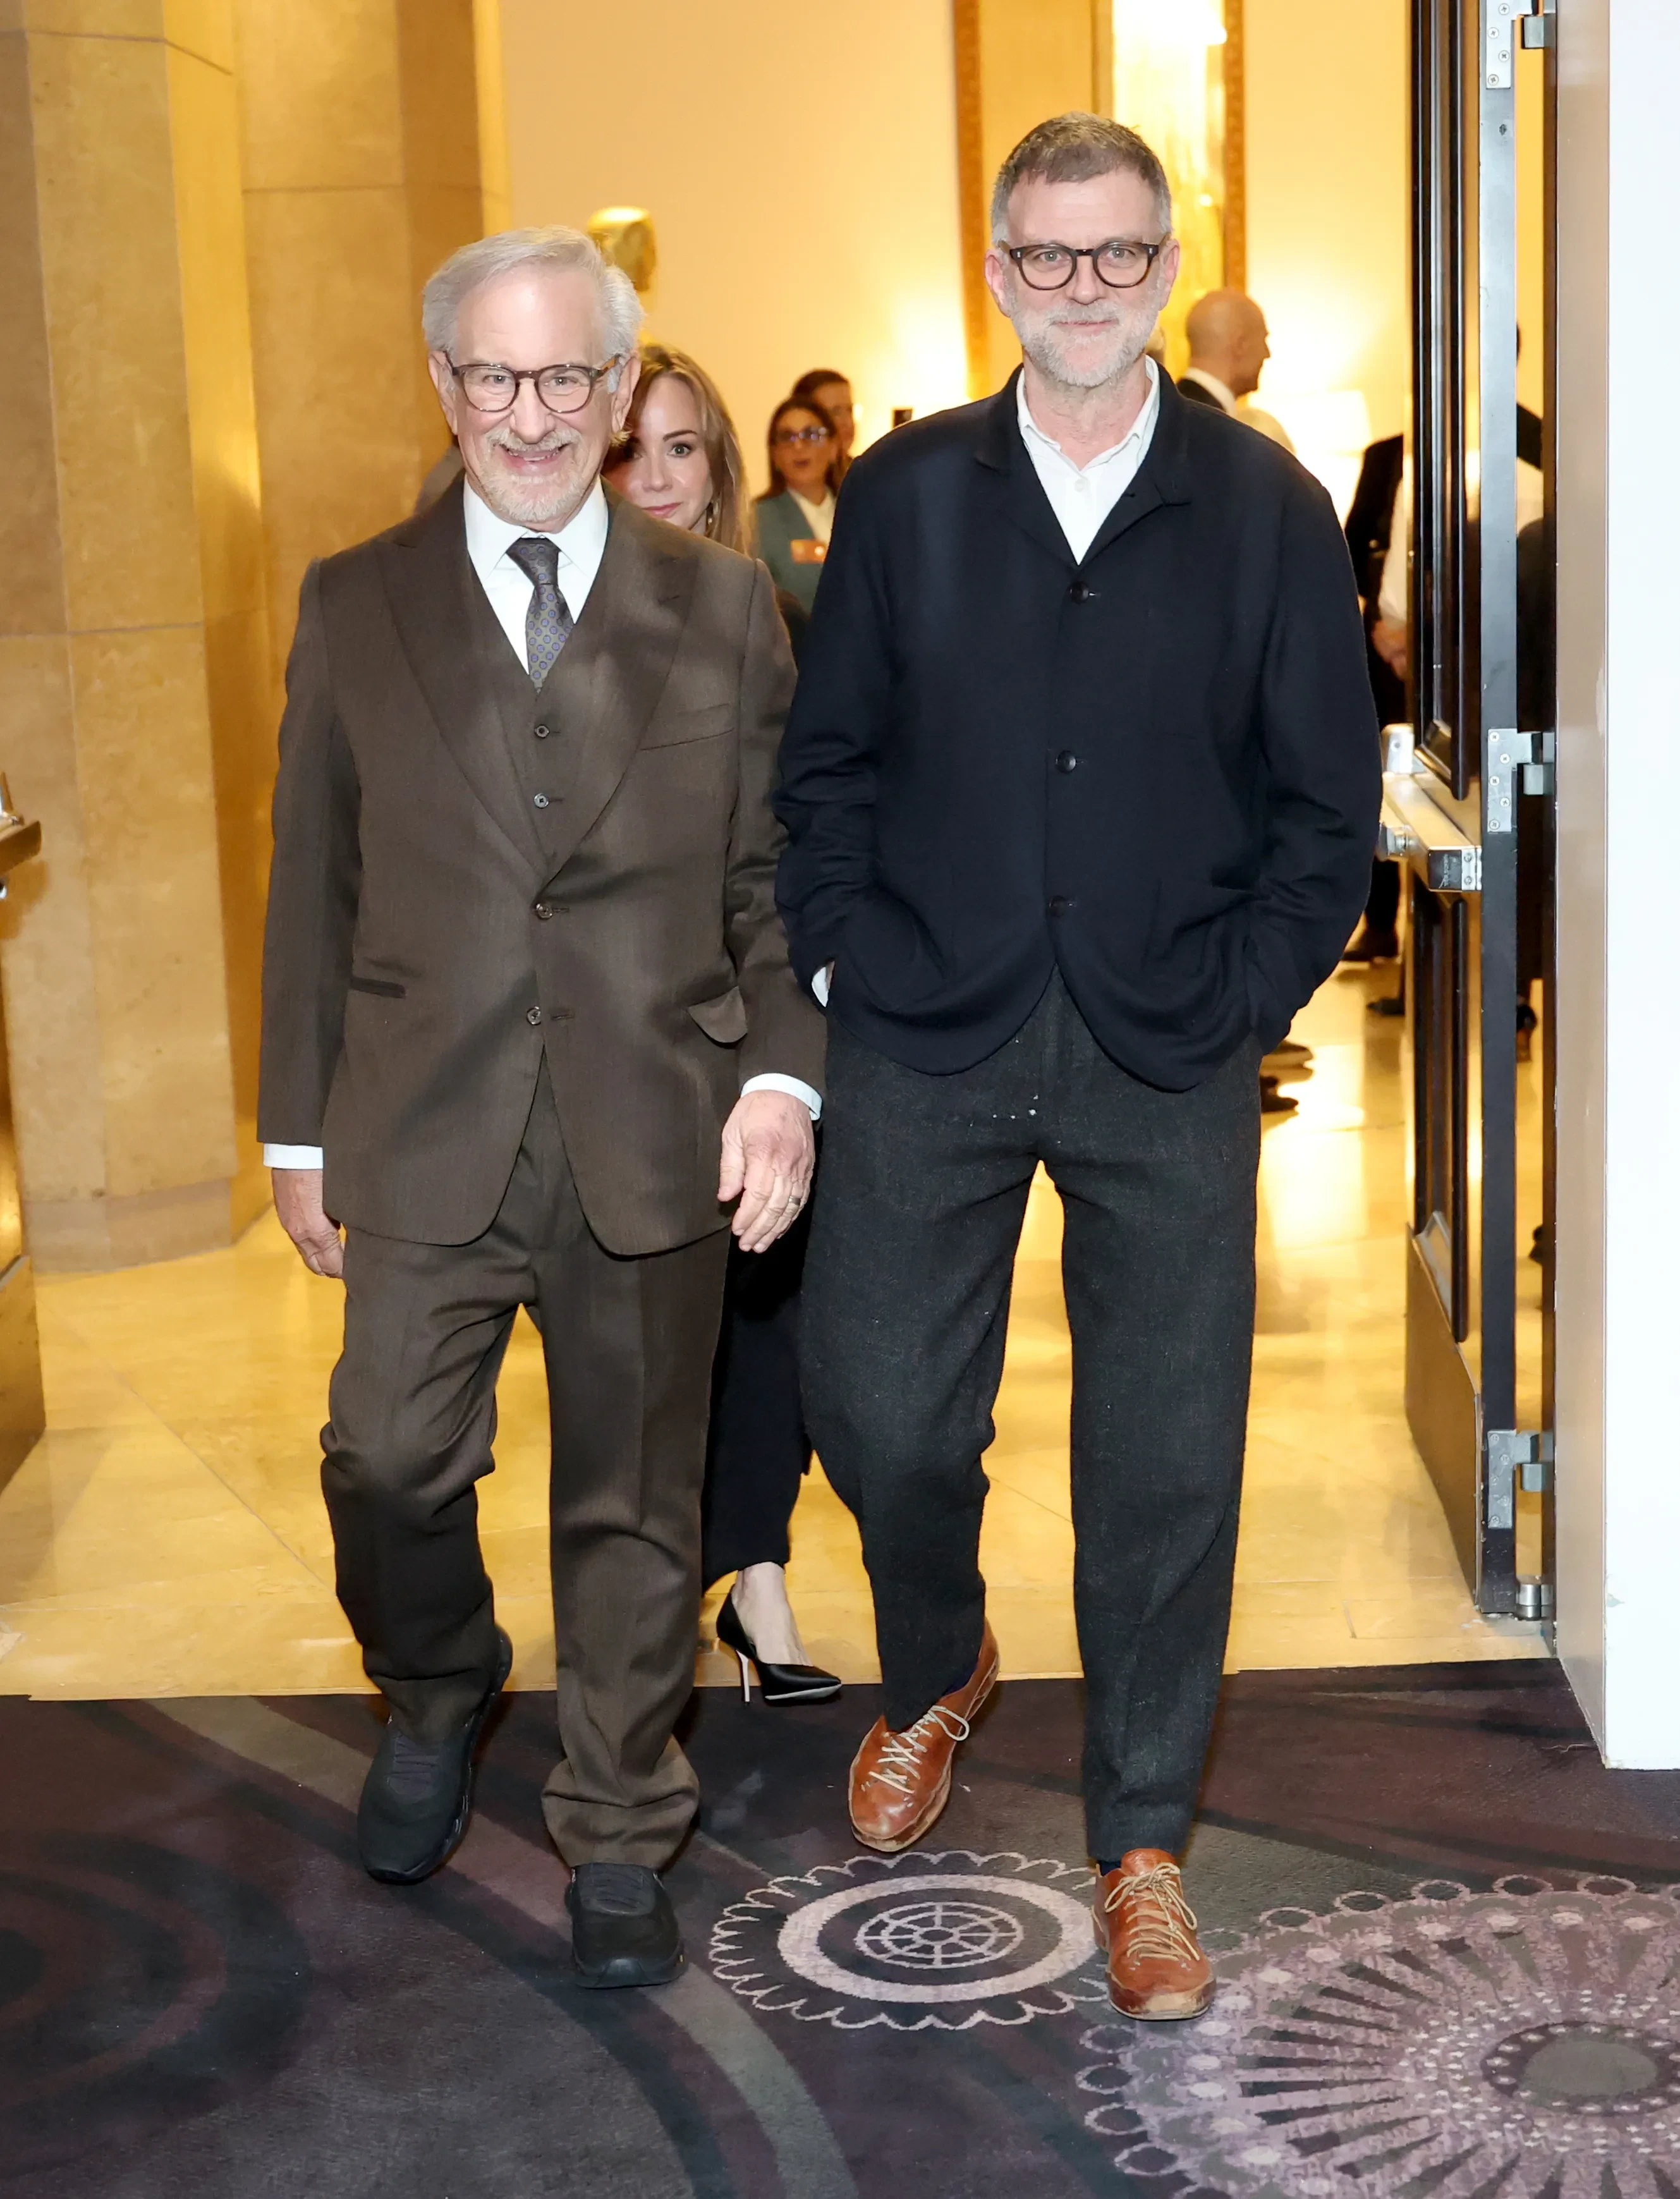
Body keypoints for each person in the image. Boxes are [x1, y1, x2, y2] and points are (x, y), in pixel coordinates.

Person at [775, 114, 1379, 2022]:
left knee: (1164, 1458)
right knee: (876, 1410)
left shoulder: (1265, 505)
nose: (1085, 287)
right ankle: (937, 1662)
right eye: (1047, 255)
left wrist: (1244, 994)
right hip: (924, 1026)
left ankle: (1139, 1841)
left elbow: (1325, 804)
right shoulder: (904, 493)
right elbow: (823, 768)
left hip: (1164, 1044)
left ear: (1163, 261)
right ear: (996, 270)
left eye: (1120, 253)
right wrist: (839, 953)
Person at [259, 226, 825, 1992]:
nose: (529, 413)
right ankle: (437, 1684)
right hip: (421, 1118)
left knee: (635, 1498)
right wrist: (295, 1133)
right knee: (386, 1455)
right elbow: (313, 882)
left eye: (565, 374)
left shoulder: (718, 604)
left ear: (618, 388)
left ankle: (620, 1815)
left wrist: (782, 1080)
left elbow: (775, 884)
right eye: (493, 375)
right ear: (444, 382)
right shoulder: (354, 601)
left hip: (652, 1120)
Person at [604, 345, 839, 1705]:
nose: (654, 475)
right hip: (603, 1046)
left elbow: (802, 843)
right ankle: (653, 1588)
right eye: (629, 447)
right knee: (641, 1346)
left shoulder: (770, 622)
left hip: (754, 1022)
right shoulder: (527, 631)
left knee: (766, 1314)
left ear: (718, 472)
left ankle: (756, 1583)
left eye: (681, 447)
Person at [1178, 288, 1296, 453]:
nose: (1267, 354)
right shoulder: (1210, 429)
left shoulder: (1173, 411)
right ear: (1241, 345)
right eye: (1263, 340)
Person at [753, 396, 841, 612]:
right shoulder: (758, 520)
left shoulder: (859, 512)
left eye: (811, 435)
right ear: (774, 454)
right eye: (787, 437)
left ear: (833, 448)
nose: (799, 446)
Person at [791, 368, 857, 476]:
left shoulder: (869, 475)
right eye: (835, 413)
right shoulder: (799, 481)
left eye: (850, 410)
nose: (847, 422)